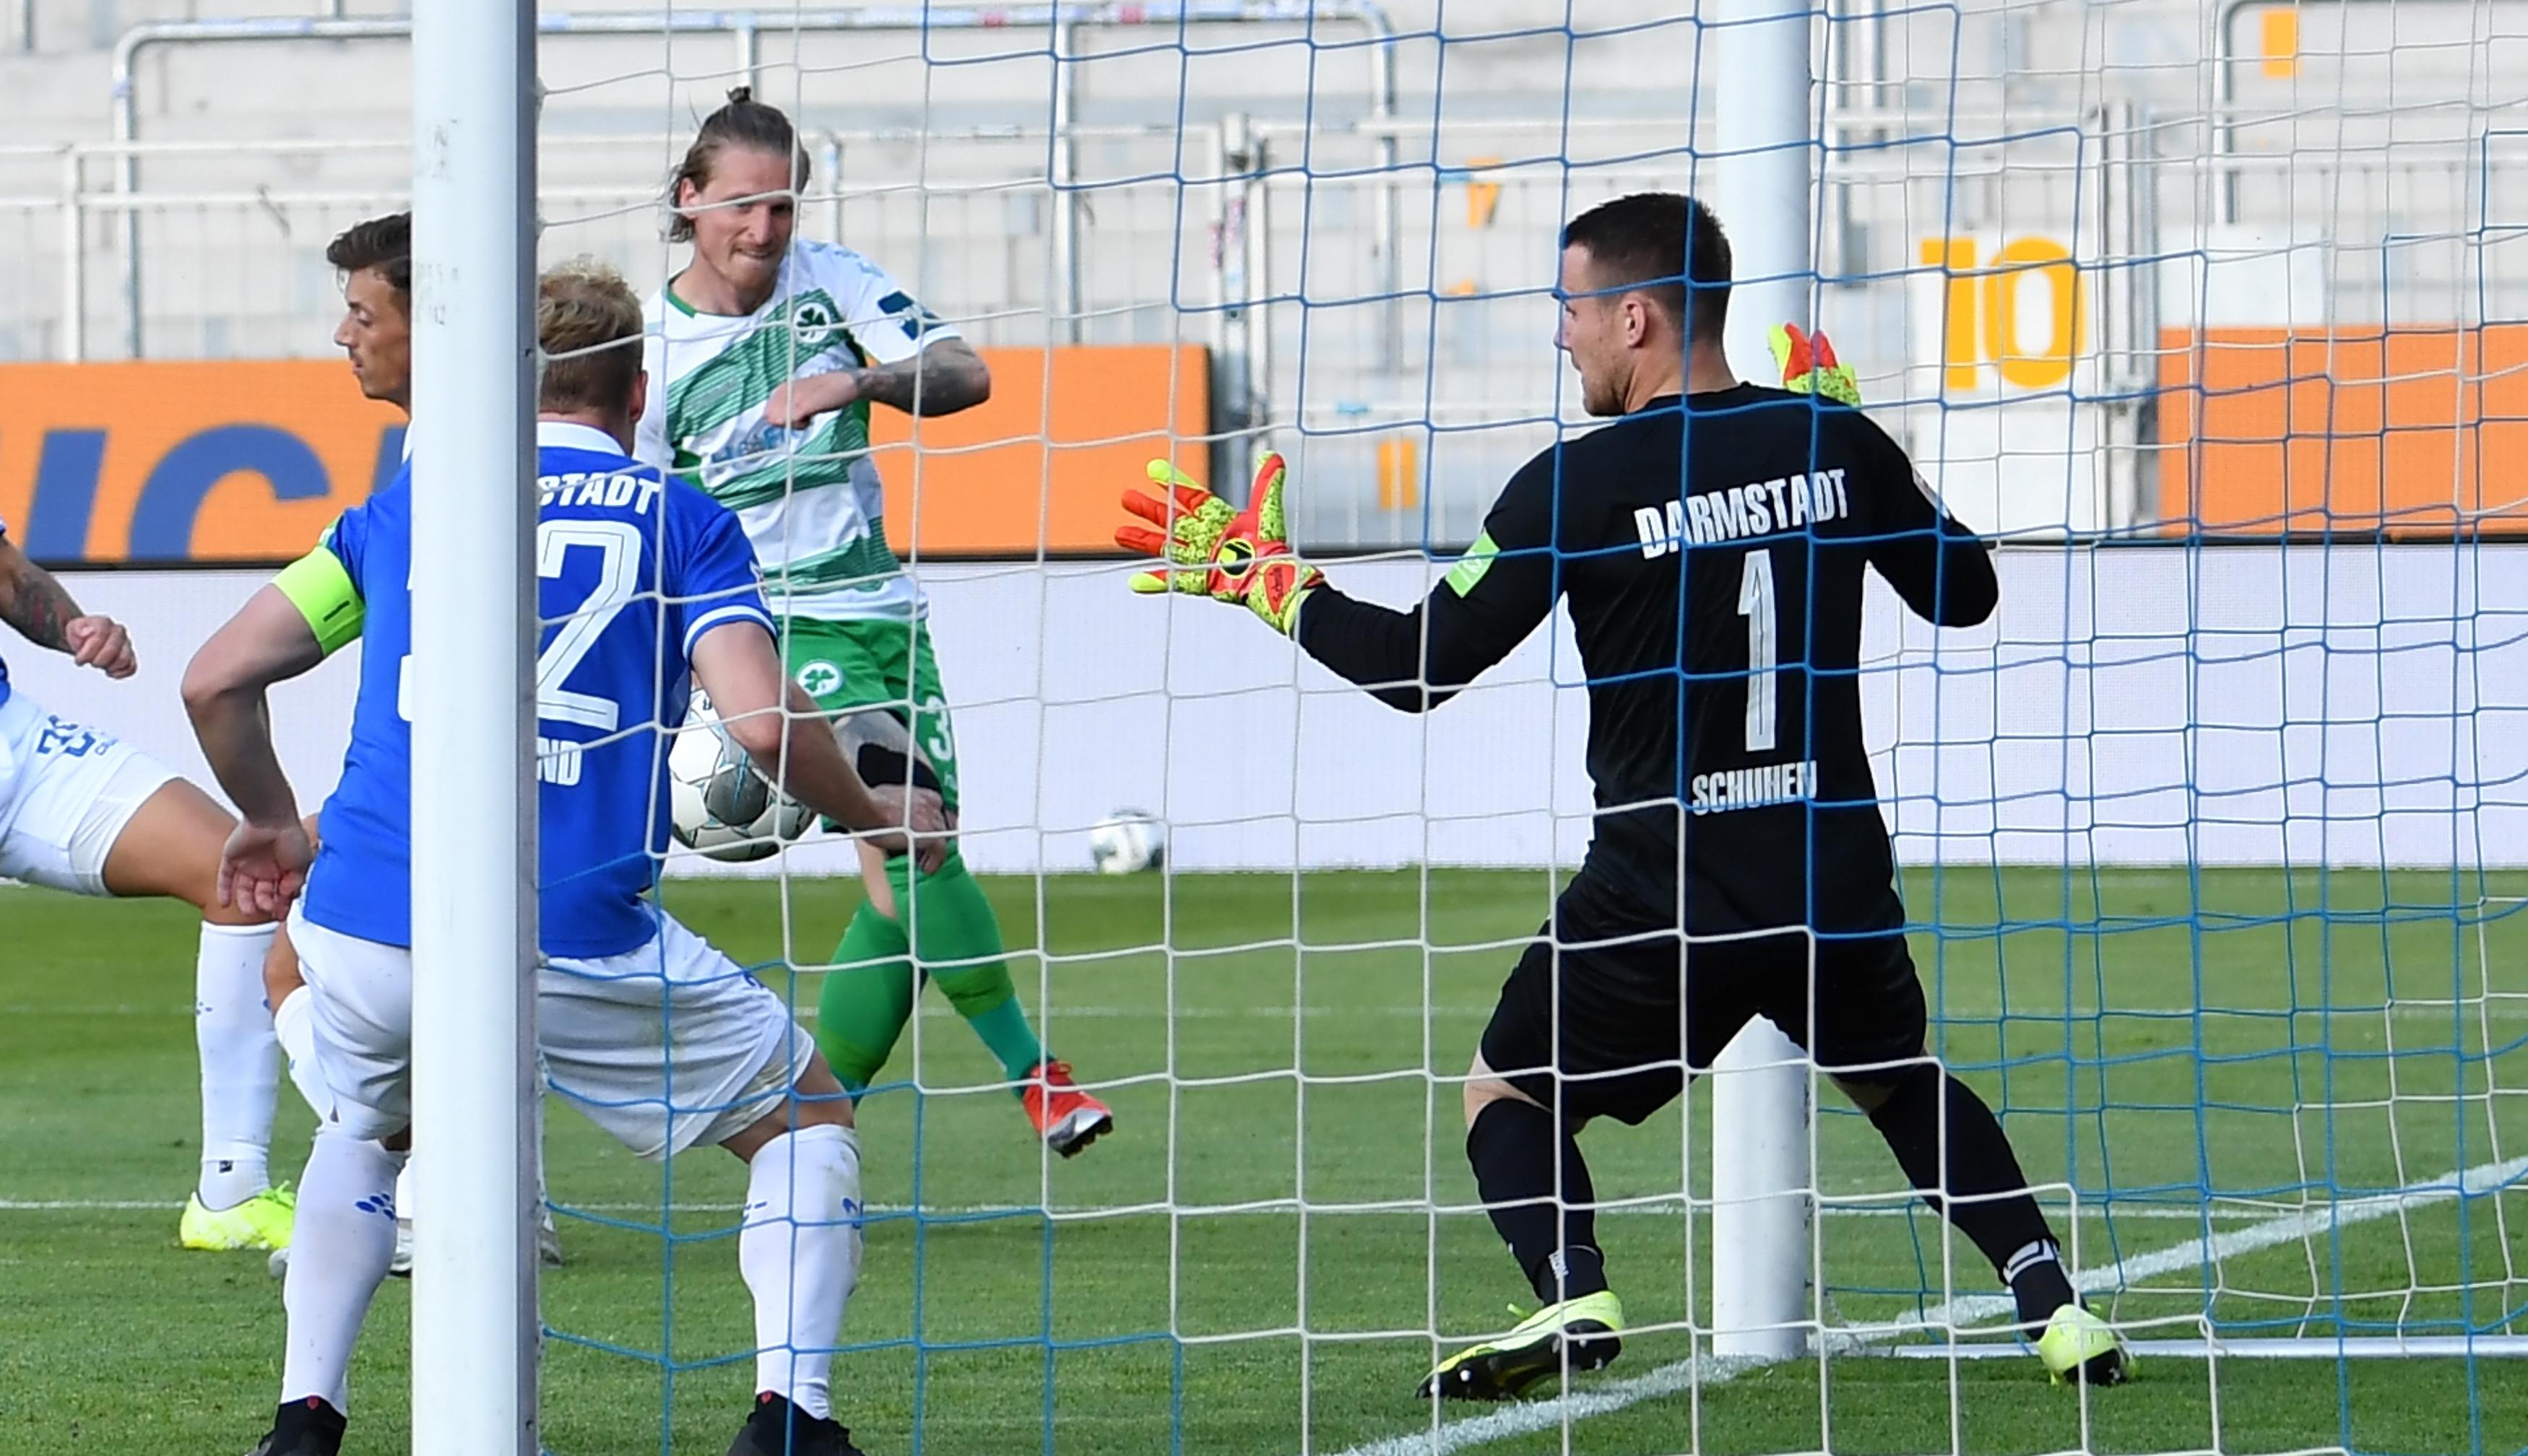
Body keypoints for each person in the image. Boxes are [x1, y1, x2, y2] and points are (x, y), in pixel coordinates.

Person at [1117, 191, 2131, 1398]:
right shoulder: (1832, 443)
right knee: (1899, 1077)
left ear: (1637, 316)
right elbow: (1965, 593)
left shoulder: (1577, 486)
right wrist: (1869, 447)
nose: (1564, 335)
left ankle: (1575, 1291)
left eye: (1573, 308)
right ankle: (2055, 1305)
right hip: (1829, 875)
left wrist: (1274, 585)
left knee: (1508, 1087)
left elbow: (1422, 669)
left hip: (1668, 886)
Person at [186, 260, 945, 1456]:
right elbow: (758, 723)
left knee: (368, 1124)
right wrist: (866, 811)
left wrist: (274, 816)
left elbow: (214, 676)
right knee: (805, 1115)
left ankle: (305, 1418)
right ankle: (790, 1418)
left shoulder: (408, 508)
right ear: (638, 392)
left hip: (371, 918)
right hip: (566, 928)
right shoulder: (683, 518)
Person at [636, 88, 1112, 1156]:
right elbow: (648, 514)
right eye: (742, 206)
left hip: (883, 609)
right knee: (914, 841)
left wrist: (848, 380)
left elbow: (965, 375)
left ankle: (810, 1120)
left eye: (783, 208)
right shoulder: (653, 352)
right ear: (689, 201)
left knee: (900, 896)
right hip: (769, 623)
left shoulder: (832, 281)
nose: (764, 230)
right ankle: (1038, 1077)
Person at [256, 212, 566, 1278]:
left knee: (296, 959)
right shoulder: (451, 450)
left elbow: (220, 671)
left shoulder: (457, 469)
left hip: (486, 813)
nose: (344, 336)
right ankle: (488, 1189)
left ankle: (416, 1185)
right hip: (549, 809)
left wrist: (288, 816)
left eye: (360, 313)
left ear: (428, 323)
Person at [0, 511, 293, 1254]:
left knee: (240, 878)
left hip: (20, 749)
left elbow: (9, 576)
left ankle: (230, 1190)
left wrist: (72, 627)